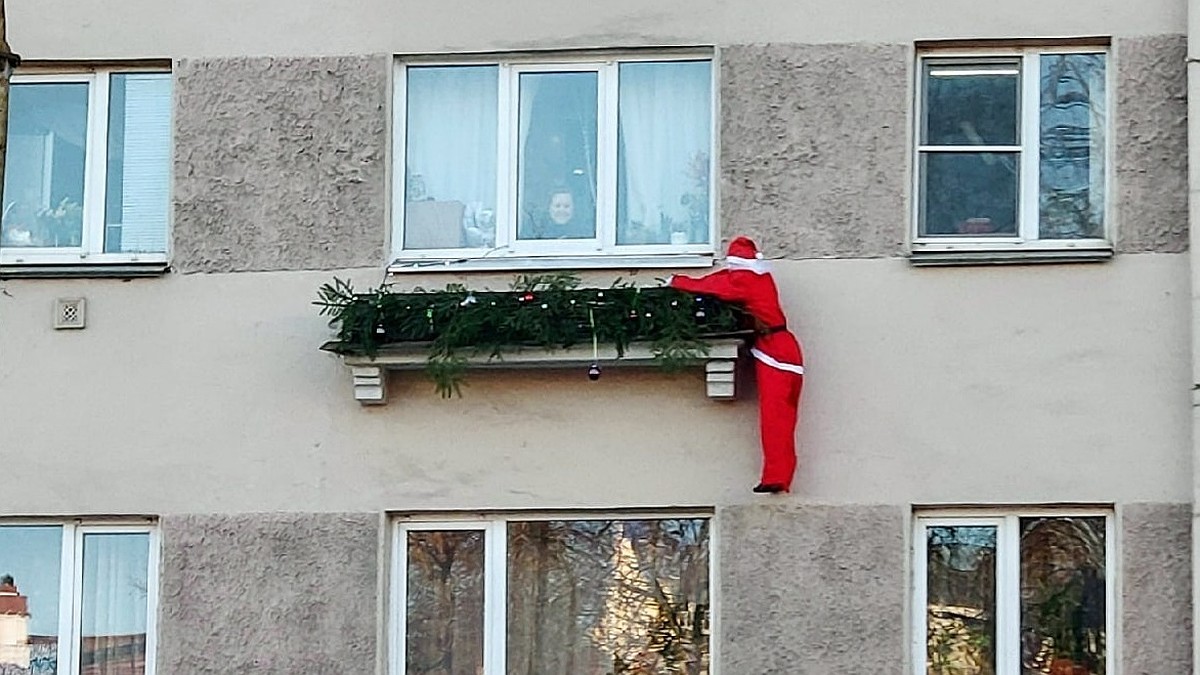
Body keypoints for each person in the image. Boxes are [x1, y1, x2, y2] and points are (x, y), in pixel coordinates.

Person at [669, 236, 805, 493]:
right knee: (783, 418)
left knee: (774, 418)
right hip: (786, 350)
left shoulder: (745, 281)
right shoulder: (760, 277)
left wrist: (677, 281)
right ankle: (780, 475)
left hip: (774, 351)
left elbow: (715, 285)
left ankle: (775, 476)